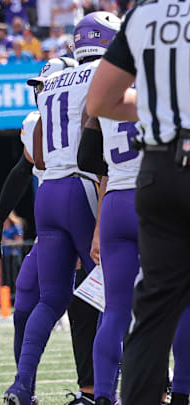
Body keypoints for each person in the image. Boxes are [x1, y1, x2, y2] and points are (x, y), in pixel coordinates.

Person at [3, 13, 121, 405]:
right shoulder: (105, 73)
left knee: (51, 298)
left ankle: (22, 386)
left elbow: (35, 153)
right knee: (109, 294)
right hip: (84, 187)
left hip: (48, 190)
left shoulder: (51, 81)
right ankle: (105, 392)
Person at [86, 1, 190, 403]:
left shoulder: (146, 15)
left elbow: (99, 102)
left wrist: (160, 109)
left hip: (158, 168)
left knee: (153, 308)